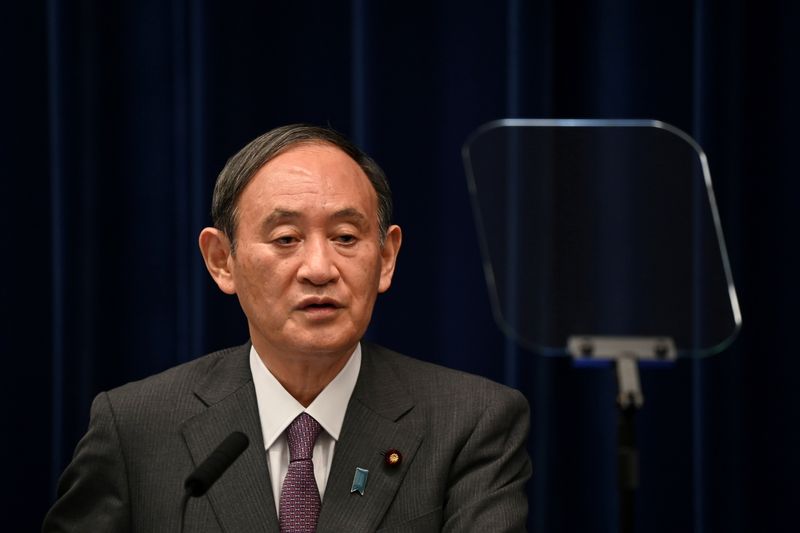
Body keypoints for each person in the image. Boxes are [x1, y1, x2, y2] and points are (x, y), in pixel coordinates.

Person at [42, 124, 532, 532]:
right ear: (221, 260)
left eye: (345, 237)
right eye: (286, 238)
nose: (319, 267)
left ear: (385, 258)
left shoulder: (471, 423)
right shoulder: (136, 428)